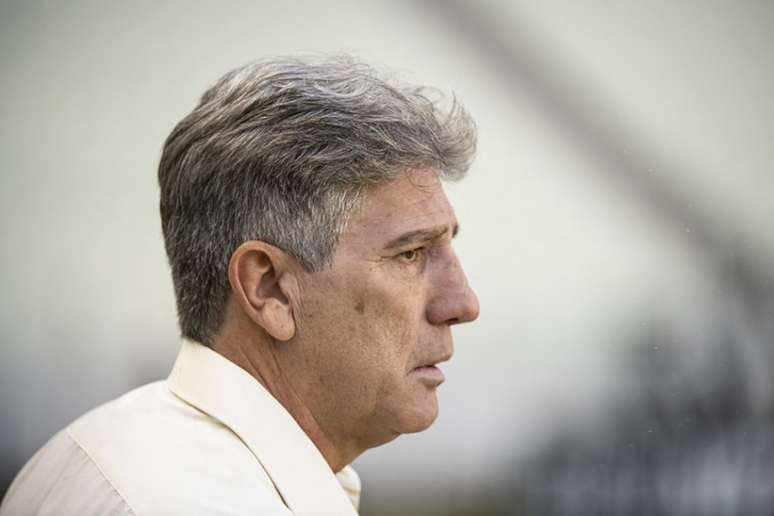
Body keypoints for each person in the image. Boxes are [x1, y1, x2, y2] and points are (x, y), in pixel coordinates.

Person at [0, 54, 480, 515]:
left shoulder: (82, 454)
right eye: (410, 254)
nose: (463, 303)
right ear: (269, 289)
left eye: (446, 249)